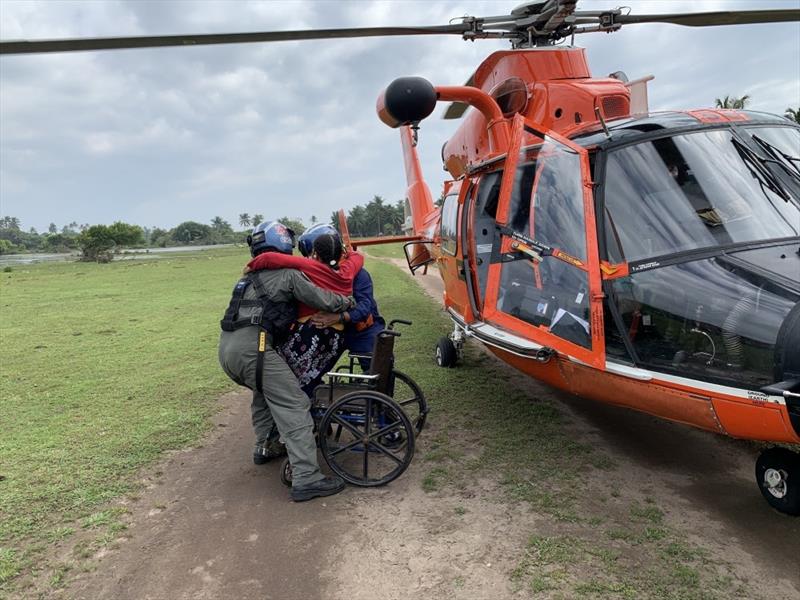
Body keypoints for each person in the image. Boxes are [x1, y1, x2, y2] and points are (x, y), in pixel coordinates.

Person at [218, 221, 355, 502]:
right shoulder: (287, 275)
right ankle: (307, 478)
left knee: (264, 392)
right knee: (294, 403)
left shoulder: (246, 276)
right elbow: (325, 300)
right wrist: (348, 303)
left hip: (227, 350)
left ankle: (266, 446)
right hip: (254, 350)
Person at [245, 224, 364, 396]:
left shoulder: (312, 267)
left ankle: (301, 411)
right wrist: (349, 251)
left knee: (288, 375)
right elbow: (358, 257)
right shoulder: (348, 271)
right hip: (334, 336)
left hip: (314, 332)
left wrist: (252, 265)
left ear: (315, 253)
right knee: (309, 375)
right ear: (340, 253)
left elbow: (273, 258)